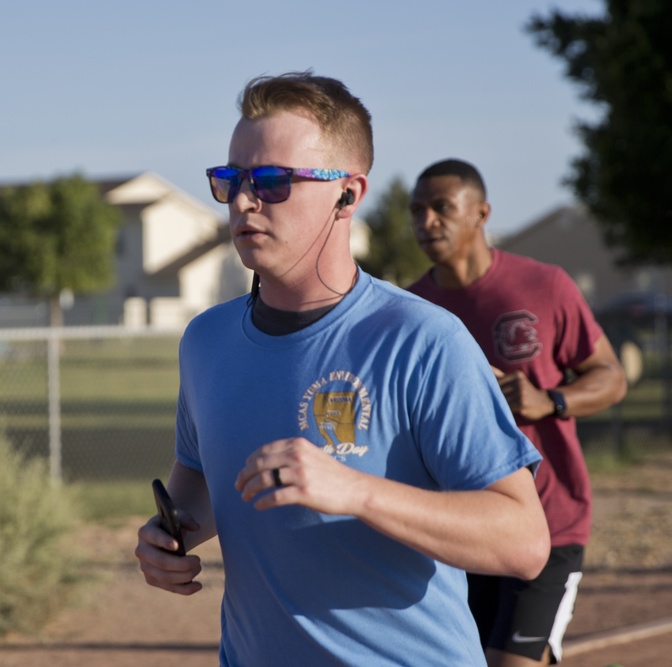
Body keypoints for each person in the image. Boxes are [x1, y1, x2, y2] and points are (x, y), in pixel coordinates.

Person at [134, 71, 551, 666]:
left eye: (274, 181)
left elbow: (524, 542)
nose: (246, 201)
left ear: (348, 194)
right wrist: (168, 537)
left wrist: (356, 492)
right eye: (231, 180)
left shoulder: (422, 339)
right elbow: (198, 484)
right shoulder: (206, 341)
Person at [406, 158, 628, 666]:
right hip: (461, 530)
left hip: (549, 525)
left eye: (442, 208)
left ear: (481, 213)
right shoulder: (413, 311)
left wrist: (550, 400)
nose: (427, 222)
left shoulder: (543, 287)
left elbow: (611, 377)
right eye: (418, 211)